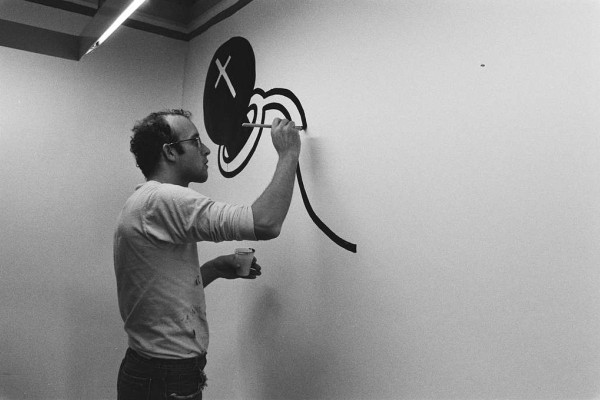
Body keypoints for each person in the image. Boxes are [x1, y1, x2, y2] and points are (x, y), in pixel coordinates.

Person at [113, 109, 300, 400]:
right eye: (195, 141)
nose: (206, 149)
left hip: (155, 373)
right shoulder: (163, 199)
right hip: (165, 377)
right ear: (170, 152)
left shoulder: (146, 202)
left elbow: (154, 295)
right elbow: (265, 222)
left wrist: (213, 268)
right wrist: (288, 153)